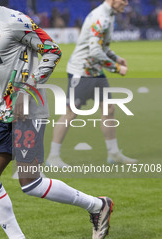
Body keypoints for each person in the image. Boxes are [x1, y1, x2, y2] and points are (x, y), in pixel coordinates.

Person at [0, 1, 114, 239]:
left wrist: (27, 89)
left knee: (30, 183)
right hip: (1, 113)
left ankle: (97, 205)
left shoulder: (14, 20)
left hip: (29, 111)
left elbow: (52, 50)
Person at [46, 0, 138, 168]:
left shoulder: (109, 16)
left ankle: (113, 153)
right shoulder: (100, 18)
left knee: (109, 109)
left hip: (95, 70)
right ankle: (53, 157)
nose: (126, 3)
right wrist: (116, 67)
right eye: (123, 0)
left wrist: (115, 57)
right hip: (81, 72)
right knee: (70, 113)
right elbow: (95, 51)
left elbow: (101, 47)